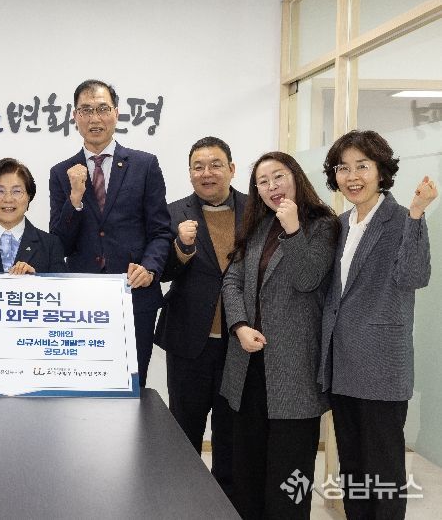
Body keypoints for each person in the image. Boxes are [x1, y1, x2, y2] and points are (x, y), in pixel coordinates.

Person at [318, 130, 436, 519]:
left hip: (381, 367)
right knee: (352, 469)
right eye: (343, 168)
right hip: (343, 366)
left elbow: (414, 276)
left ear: (381, 171)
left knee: (383, 470)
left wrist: (417, 213)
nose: (352, 177)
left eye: (362, 166)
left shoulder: (401, 218)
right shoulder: (341, 223)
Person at [220, 151, 339, 519]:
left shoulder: (324, 226)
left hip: (294, 371)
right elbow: (232, 280)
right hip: (249, 367)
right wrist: (239, 326)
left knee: (291, 476)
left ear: (296, 178)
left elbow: (307, 279)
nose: (272, 186)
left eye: (278, 177)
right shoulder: (257, 226)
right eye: (263, 181)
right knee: (248, 472)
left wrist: (293, 230)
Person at [49, 79, 172, 387]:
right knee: (81, 386)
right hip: (82, 300)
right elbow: (59, 243)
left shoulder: (144, 165)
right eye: (86, 110)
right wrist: (75, 199)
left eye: (103, 109)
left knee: (131, 386)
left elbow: (161, 231)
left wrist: (150, 268)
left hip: (134, 296)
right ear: (75, 116)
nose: (95, 118)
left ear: (116, 113)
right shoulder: (61, 172)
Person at [153, 136, 245, 500]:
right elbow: (161, 271)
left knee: (232, 435)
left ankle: (227, 505)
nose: (207, 173)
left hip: (239, 343)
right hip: (189, 341)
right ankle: (183, 503)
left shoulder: (256, 210)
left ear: (231, 169)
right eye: (198, 167)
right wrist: (182, 247)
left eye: (215, 165)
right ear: (190, 173)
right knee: (184, 431)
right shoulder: (173, 212)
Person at [0, 157, 66, 274]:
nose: (8, 199)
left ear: (29, 196)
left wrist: (36, 278)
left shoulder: (50, 244)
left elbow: (61, 284)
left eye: (17, 191)